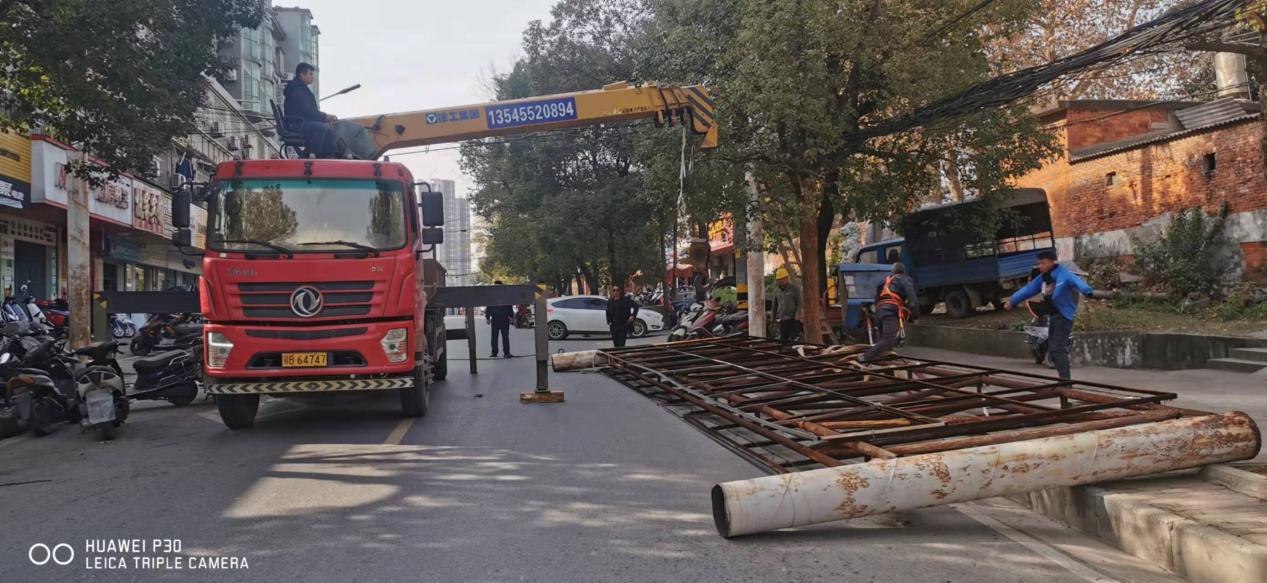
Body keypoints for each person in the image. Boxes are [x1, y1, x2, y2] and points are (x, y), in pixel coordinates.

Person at [1004, 250, 1094, 380]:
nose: (1040, 266)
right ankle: (1064, 380)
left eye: (1043, 263)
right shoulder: (1043, 277)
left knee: (1057, 348)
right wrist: (1012, 301)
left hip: (1064, 316)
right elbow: (1028, 290)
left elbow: (1078, 282)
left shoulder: (1064, 274)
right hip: (1054, 316)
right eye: (1039, 263)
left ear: (1053, 262)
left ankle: (1065, 382)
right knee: (1053, 348)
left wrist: (1088, 291)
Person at [282, 63, 376, 159]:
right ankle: (324, 154)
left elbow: (308, 112)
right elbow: (308, 111)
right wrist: (325, 117)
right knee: (325, 128)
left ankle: (326, 153)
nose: (312, 77)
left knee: (327, 127)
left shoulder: (299, 89)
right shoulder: (298, 90)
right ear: (302, 74)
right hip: (297, 124)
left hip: (299, 122)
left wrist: (324, 118)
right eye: (310, 74)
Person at [862, 263, 919, 362]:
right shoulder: (904, 279)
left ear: (893, 272)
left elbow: (876, 298)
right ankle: (865, 357)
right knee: (888, 340)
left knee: (883, 340)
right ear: (903, 272)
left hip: (880, 311)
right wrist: (916, 316)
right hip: (890, 312)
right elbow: (913, 300)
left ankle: (884, 361)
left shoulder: (885, 281)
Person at [485, 280, 514, 358]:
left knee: (505, 337)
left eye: (498, 287)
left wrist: (511, 317)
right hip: (495, 319)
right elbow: (488, 307)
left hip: (504, 319)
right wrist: (487, 318)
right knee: (494, 337)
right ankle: (494, 352)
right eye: (495, 287)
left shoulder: (506, 296)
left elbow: (509, 306)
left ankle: (506, 353)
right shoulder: (492, 297)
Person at [773, 267, 802, 342]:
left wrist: (797, 315)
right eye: (779, 279)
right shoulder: (777, 291)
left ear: (786, 278)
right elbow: (775, 305)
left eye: (783, 279)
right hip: (782, 319)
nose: (781, 281)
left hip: (793, 319)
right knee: (783, 340)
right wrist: (773, 317)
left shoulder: (794, 289)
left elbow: (799, 303)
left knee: (793, 339)